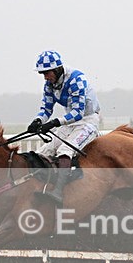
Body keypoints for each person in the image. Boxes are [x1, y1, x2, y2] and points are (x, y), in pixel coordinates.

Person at [25, 50, 101, 203]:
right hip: (70, 123)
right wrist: (38, 121)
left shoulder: (76, 79)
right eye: (43, 74)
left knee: (64, 150)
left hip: (87, 121)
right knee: (44, 151)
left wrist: (53, 123)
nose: (46, 77)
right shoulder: (49, 85)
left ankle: (58, 192)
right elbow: (46, 109)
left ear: (58, 69)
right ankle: (43, 187)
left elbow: (78, 113)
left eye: (47, 73)